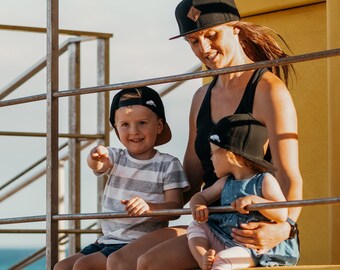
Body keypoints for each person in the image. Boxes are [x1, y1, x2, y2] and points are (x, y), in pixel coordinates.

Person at [107, 0, 303, 269]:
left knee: (149, 264)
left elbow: (287, 174)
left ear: (235, 28)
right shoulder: (201, 96)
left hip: (250, 228)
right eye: (194, 41)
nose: (204, 49)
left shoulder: (268, 89)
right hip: (208, 221)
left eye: (212, 35)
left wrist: (286, 228)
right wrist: (135, 182)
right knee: (118, 261)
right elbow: (192, 172)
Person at [53, 86, 189, 270]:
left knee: (84, 266)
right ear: (116, 129)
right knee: (61, 267)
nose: (133, 131)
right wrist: (95, 157)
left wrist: (150, 208)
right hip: (107, 240)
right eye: (125, 125)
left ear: (158, 126)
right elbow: (100, 164)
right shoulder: (116, 156)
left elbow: (175, 208)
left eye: (142, 123)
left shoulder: (168, 164)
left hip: (139, 243)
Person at [187, 113, 299, 270]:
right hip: (225, 236)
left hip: (251, 246)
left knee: (221, 262)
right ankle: (202, 257)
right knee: (196, 226)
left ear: (230, 155)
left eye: (214, 153)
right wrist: (198, 205)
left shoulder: (264, 181)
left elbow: (281, 213)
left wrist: (255, 201)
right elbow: (200, 196)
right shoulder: (226, 182)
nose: (211, 158)